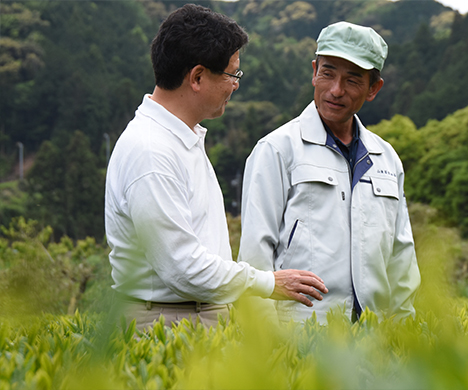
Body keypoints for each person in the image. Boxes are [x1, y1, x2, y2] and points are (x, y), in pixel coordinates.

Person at [104, 4, 327, 331]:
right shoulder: (152, 152)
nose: (236, 85)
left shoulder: (181, 138)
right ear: (197, 77)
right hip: (165, 321)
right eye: (232, 74)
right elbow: (182, 268)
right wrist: (268, 283)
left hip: (192, 314)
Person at [239, 21, 420, 324]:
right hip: (301, 335)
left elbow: (402, 257)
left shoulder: (387, 159)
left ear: (373, 88)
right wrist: (264, 342)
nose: (336, 90)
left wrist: (403, 334)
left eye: (352, 80)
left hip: (373, 340)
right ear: (314, 71)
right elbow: (255, 254)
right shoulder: (278, 149)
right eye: (328, 73)